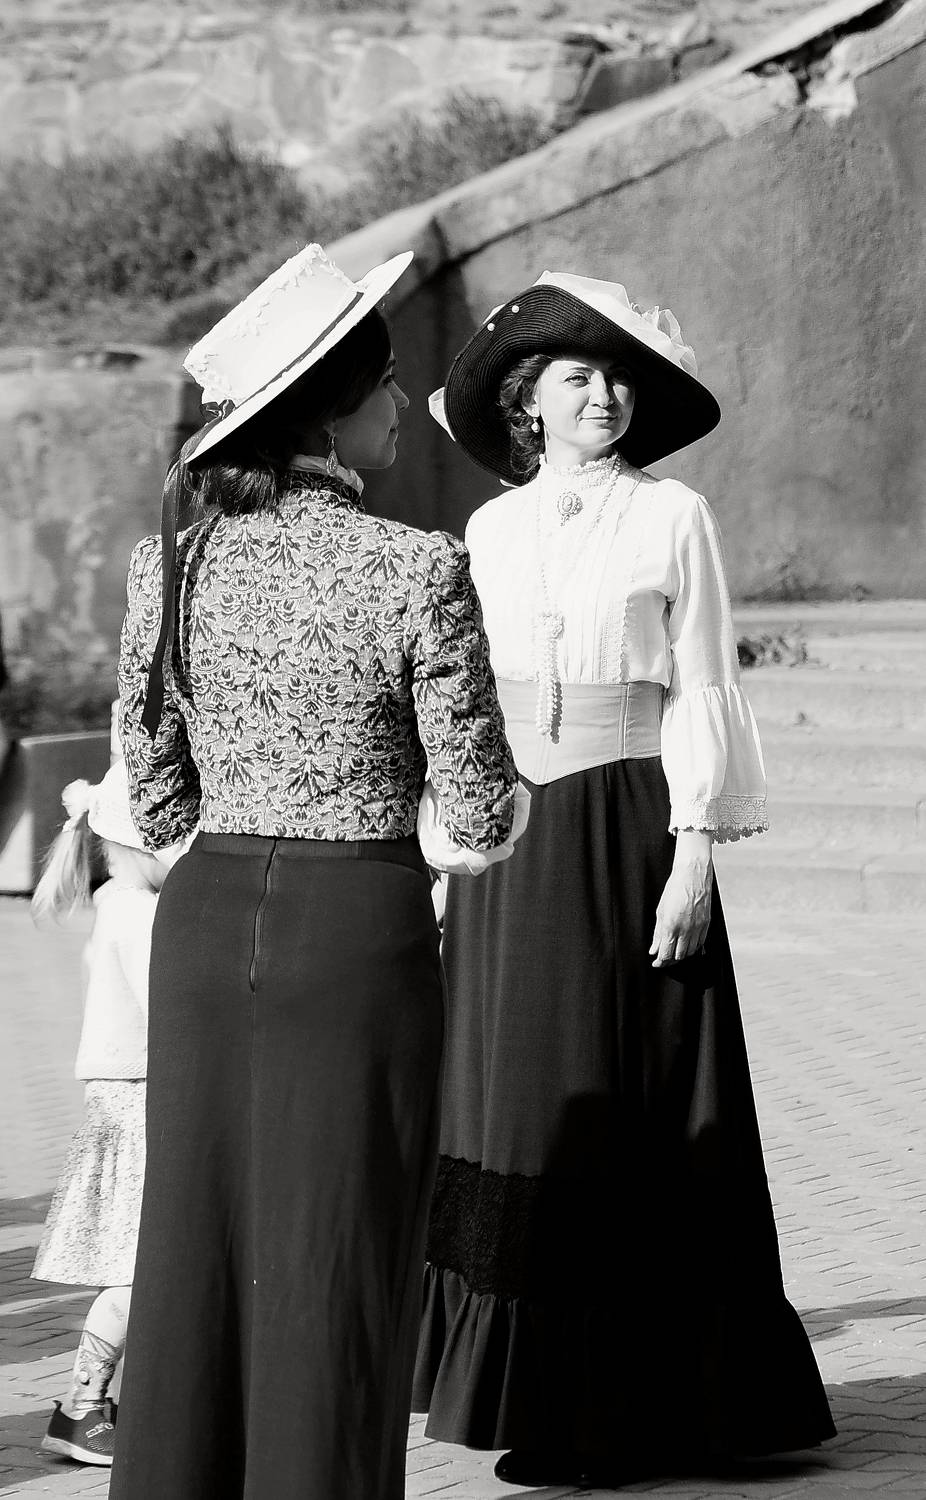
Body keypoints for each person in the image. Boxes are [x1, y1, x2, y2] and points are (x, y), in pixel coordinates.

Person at [109, 243, 522, 1500]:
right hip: (355, 928)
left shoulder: (169, 563)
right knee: (338, 1257)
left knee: (191, 1251)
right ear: (331, 413)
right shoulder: (418, 564)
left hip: (205, 921)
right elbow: (480, 809)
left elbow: (155, 791)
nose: (400, 403)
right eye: (385, 382)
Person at [413, 272, 836, 1487]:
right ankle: (550, 1400)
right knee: (524, 1100)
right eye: (573, 376)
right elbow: (462, 708)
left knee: (645, 1094)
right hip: (509, 840)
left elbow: (703, 682)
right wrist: (448, 853)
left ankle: (685, 1407)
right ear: (525, 402)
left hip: (629, 825)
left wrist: (692, 851)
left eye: (614, 377)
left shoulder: (673, 516)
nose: (600, 395)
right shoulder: (488, 531)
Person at [31, 760, 169, 1466]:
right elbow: (167, 1009)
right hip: (139, 1094)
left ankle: (93, 1404)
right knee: (141, 1264)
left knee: (140, 1259)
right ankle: (82, 1406)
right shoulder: (140, 914)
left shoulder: (117, 901)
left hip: (122, 1093)